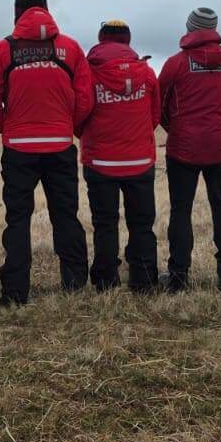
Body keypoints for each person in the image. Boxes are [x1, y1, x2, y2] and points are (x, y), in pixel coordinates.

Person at [0, 0, 95, 304]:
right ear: (46, 10)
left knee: (17, 219)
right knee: (66, 215)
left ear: (17, 14)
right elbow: (85, 98)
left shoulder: (3, 49)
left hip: (18, 149)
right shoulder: (70, 48)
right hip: (60, 146)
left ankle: (16, 291)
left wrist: (9, 128)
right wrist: (66, 126)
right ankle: (74, 283)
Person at [159, 7, 221, 291]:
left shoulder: (176, 64)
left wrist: (177, 129)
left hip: (182, 150)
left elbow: (160, 105)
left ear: (190, 28)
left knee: (181, 211)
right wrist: (217, 127)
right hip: (220, 149)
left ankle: (178, 276)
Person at [79, 19, 160, 291]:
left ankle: (105, 280)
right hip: (140, 161)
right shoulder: (147, 73)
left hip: (100, 162)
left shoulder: (89, 73)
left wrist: (89, 137)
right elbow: (154, 116)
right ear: (128, 40)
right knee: (142, 224)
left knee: (105, 223)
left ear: (101, 39)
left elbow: (80, 113)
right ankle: (144, 279)